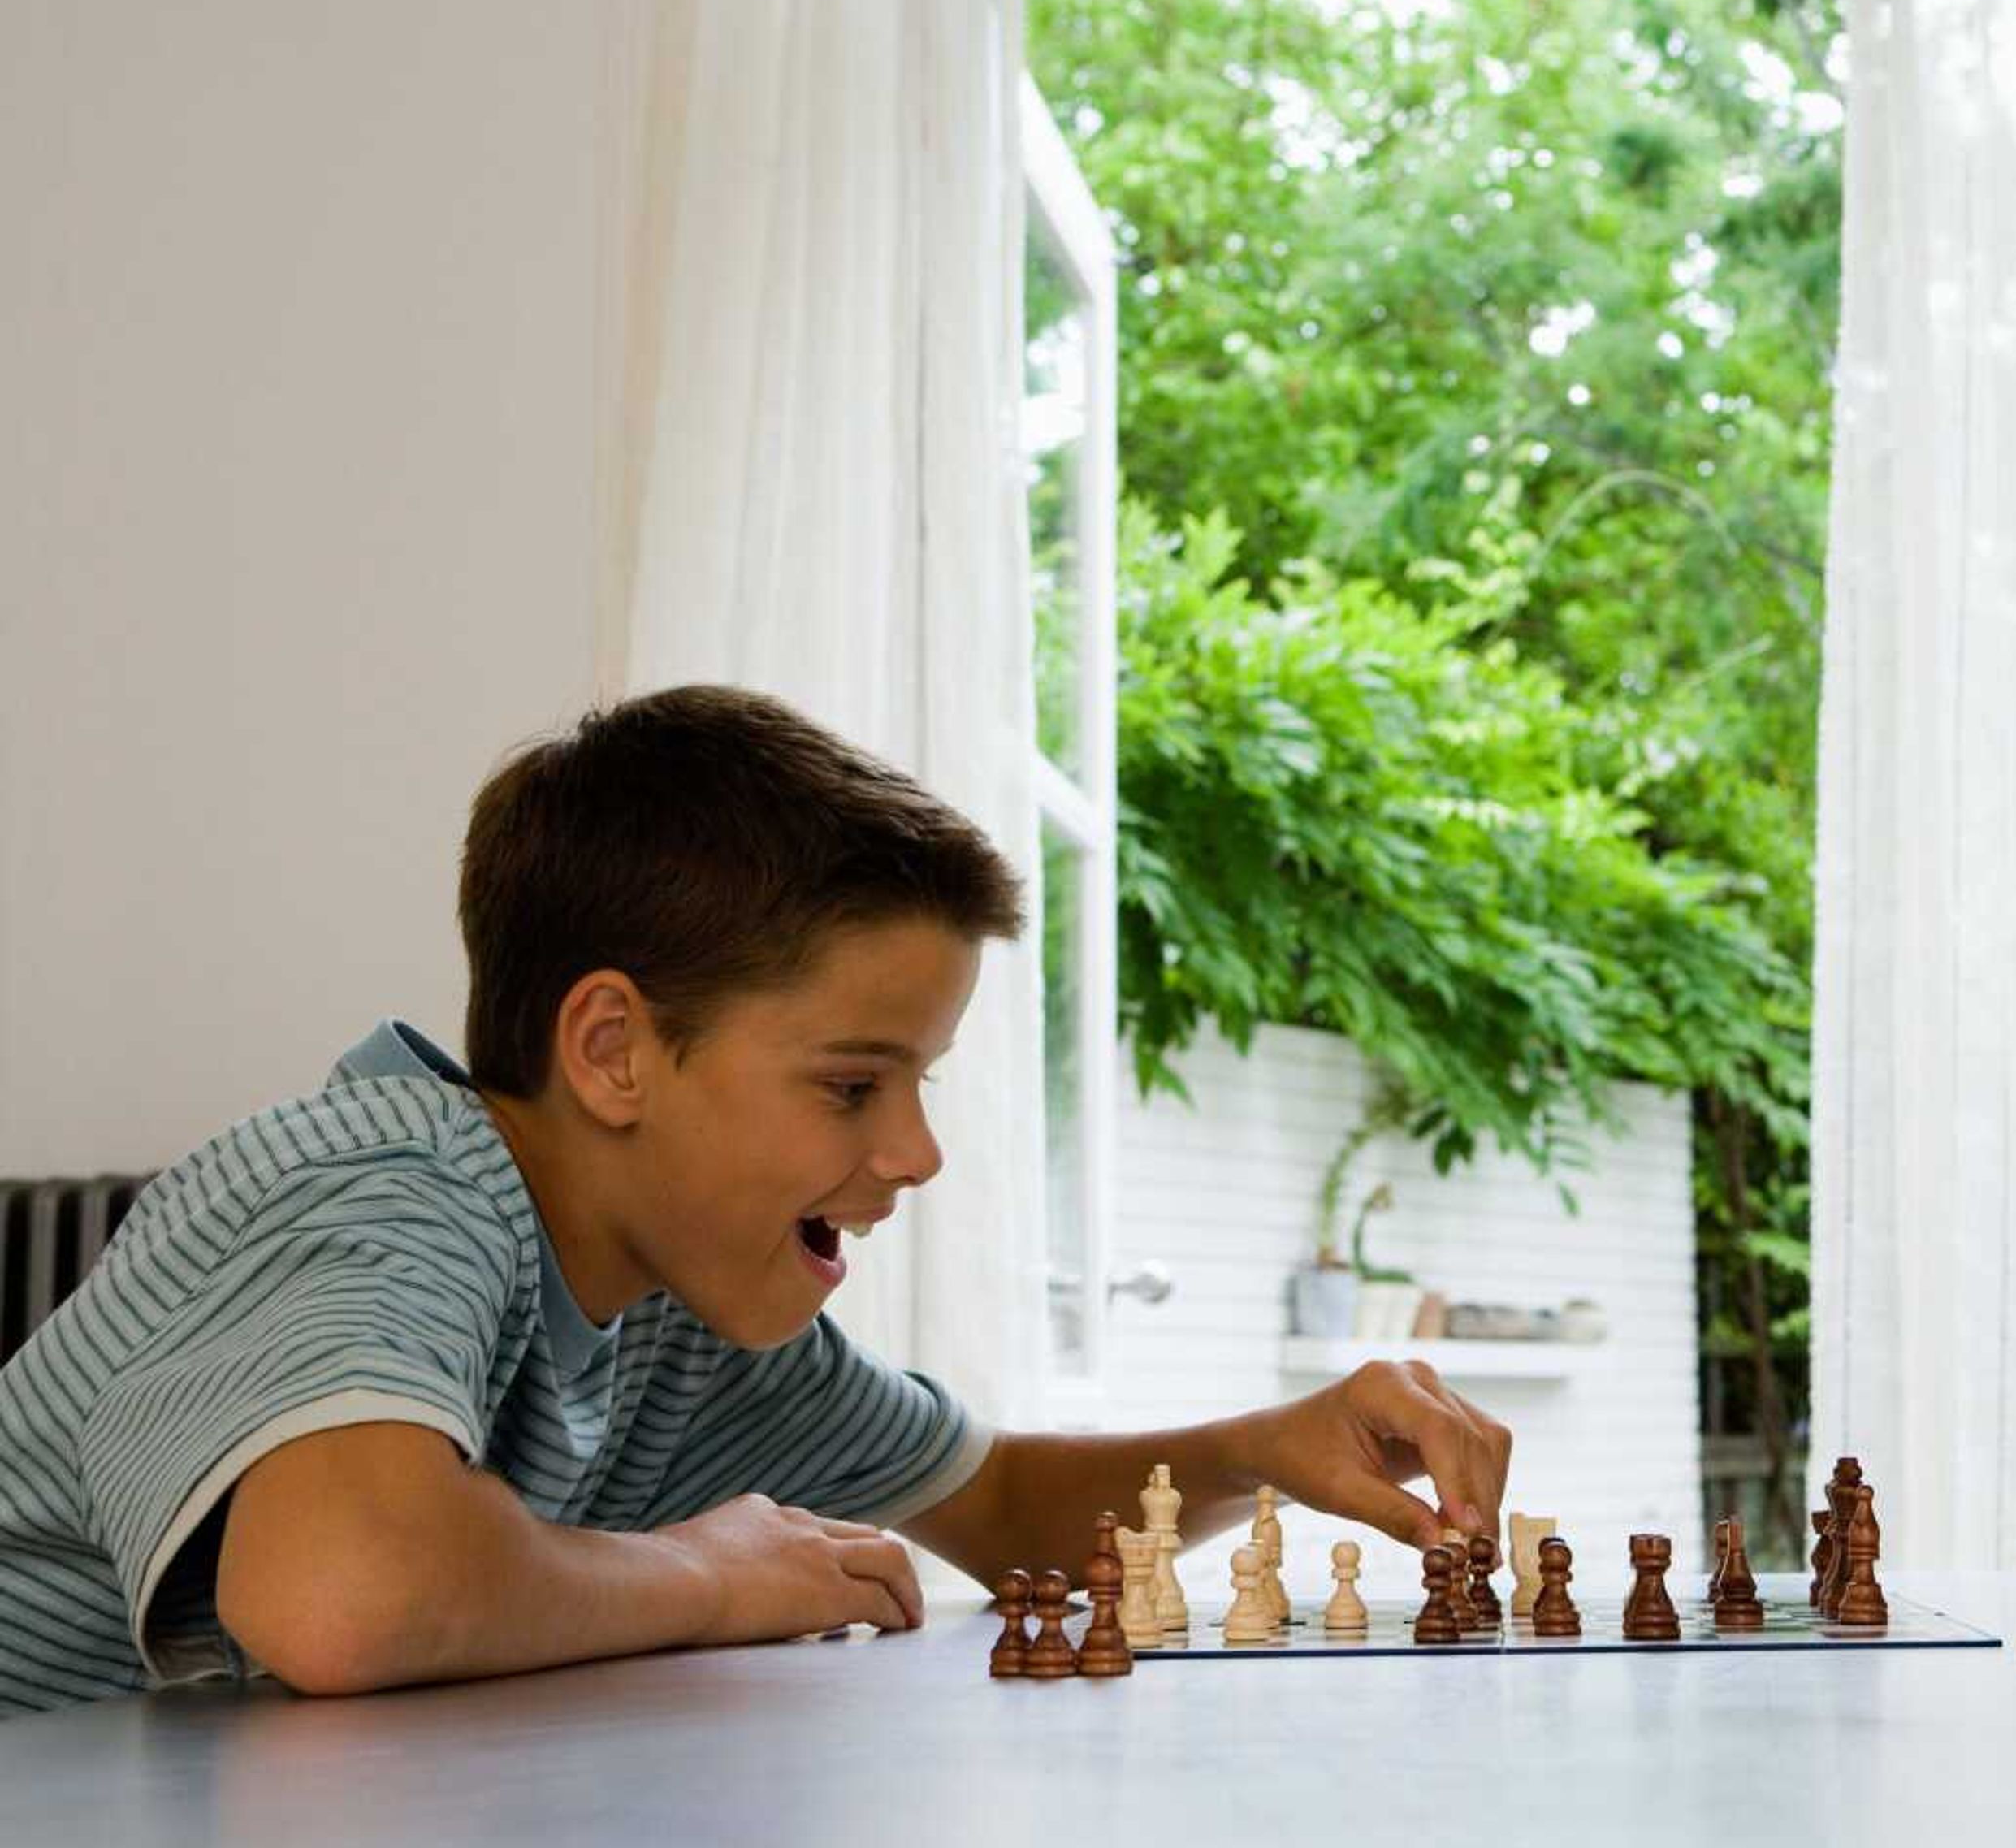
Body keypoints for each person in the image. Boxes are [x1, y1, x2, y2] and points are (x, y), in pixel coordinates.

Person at [0, 686, 1511, 1716]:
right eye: (854, 1085)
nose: (916, 1154)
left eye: (921, 1084)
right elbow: (346, 1589)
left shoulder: (687, 1312)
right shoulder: (379, 1187)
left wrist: (1266, 1445)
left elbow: (994, 1506)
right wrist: (710, 1574)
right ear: (613, 1052)